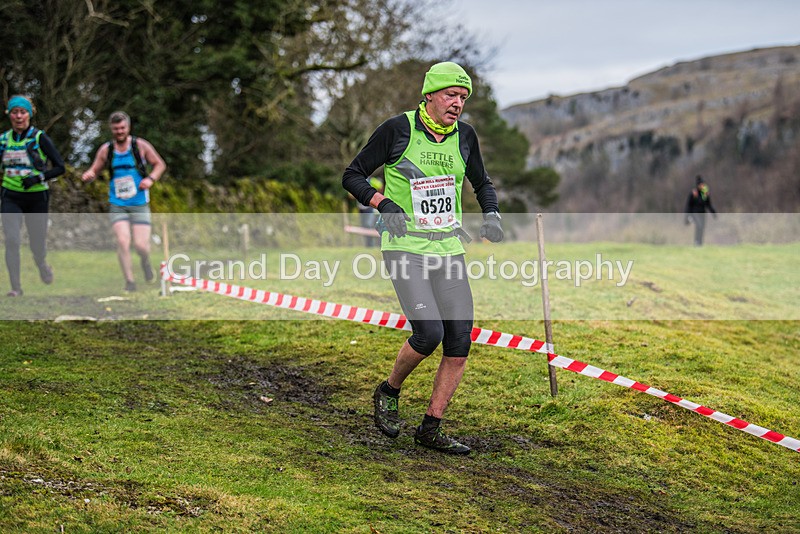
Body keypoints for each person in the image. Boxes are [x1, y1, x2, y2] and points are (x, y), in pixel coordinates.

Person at [342, 62, 503, 455]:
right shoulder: (398, 129)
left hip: (448, 249)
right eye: (451, 95)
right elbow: (353, 175)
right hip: (405, 248)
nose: (458, 104)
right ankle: (389, 390)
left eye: (463, 97)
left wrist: (492, 214)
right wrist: (383, 203)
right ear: (430, 95)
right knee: (429, 333)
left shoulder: (465, 136)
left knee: (459, 340)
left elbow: (481, 182)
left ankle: (431, 427)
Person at [81, 111, 166, 291]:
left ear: (128, 127)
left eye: (122, 128)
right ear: (111, 129)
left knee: (141, 246)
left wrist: (150, 179)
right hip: (117, 203)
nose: (119, 131)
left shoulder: (140, 146)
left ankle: (145, 262)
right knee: (122, 241)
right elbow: (94, 169)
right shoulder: (106, 150)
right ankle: (130, 281)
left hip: (139, 202)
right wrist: (89, 174)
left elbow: (159, 164)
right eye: (116, 129)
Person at [0, 95, 66, 297]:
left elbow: (60, 167)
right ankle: (16, 288)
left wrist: (39, 178)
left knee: (37, 244)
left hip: (37, 198)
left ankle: (41, 263)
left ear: (29, 114)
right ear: (9, 115)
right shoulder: (3, 140)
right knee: (12, 240)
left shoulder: (39, 138)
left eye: (23, 112)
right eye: (15, 112)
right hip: (10, 196)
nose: (19, 116)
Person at [685, 174, 717, 246]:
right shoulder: (693, 193)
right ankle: (696, 241)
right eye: (701, 185)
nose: (702, 186)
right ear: (698, 185)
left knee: (702, 227)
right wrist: (687, 216)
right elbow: (688, 205)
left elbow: (708, 204)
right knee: (699, 226)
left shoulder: (705, 193)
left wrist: (713, 213)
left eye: (703, 184)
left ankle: (700, 242)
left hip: (703, 213)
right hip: (695, 213)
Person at [358, 177, 383, 247]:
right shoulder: (356, 181)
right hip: (361, 208)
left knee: (369, 225)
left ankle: (375, 244)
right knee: (365, 227)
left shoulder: (371, 180)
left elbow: (381, 187)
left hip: (370, 208)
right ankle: (369, 245)